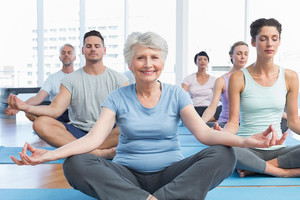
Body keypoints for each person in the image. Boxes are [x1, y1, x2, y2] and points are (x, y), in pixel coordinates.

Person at [10, 32, 285, 200]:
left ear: (162, 62)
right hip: (126, 174)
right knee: (75, 164)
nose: (148, 64)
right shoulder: (118, 96)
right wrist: (45, 156)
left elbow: (204, 134)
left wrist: (247, 141)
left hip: (171, 174)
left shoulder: (177, 94)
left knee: (224, 153)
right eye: (141, 58)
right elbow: (93, 138)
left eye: (154, 58)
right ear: (131, 64)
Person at [7, 30, 128, 159]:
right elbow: (55, 110)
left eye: (96, 46)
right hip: (78, 132)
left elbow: (128, 114)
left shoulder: (119, 80)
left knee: (127, 125)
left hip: (106, 133)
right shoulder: (69, 80)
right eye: (89, 46)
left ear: (104, 50)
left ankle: (81, 148)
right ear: (82, 51)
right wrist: (25, 107)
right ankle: (96, 152)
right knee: (40, 123)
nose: (93, 49)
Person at [224, 18, 300, 178]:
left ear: (279, 41)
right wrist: (221, 137)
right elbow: (232, 122)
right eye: (263, 39)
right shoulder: (238, 78)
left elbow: (293, 122)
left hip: (279, 150)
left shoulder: (290, 77)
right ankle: (285, 172)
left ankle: (261, 168)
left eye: (274, 38)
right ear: (253, 42)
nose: (269, 44)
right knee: (224, 152)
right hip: (247, 149)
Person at [5, 43, 76, 123]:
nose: (66, 55)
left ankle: (54, 125)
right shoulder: (52, 77)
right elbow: (39, 97)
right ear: (60, 57)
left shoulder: (79, 76)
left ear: (75, 57)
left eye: (69, 53)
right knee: (29, 113)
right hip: (55, 112)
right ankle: (53, 124)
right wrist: (18, 107)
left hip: (75, 113)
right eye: (63, 53)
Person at [202, 41, 249, 127]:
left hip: (247, 125)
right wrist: (199, 125)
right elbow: (212, 107)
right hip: (226, 124)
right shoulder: (221, 80)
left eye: (246, 54)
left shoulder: (253, 78)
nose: (243, 57)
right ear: (231, 55)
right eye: (239, 53)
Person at [182, 51, 221, 122]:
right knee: (183, 108)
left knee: (223, 107)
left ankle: (198, 121)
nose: (202, 61)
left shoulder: (214, 80)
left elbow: (220, 97)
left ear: (208, 62)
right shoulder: (189, 78)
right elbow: (182, 94)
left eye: (205, 59)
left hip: (209, 110)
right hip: (194, 109)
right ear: (196, 62)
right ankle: (203, 120)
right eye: (199, 59)